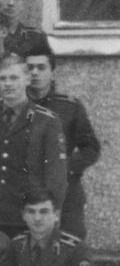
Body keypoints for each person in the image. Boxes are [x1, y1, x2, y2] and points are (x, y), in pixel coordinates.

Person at [0, 56, 68, 234]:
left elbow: (56, 174)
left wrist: (52, 211)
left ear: (27, 79)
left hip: (31, 212)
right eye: (2, 78)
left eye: (14, 78)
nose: (8, 84)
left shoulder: (46, 121)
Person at [26, 48, 100, 238]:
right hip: (26, 186)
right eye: (29, 68)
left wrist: (65, 167)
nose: (35, 72)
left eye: (41, 67)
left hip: (66, 187)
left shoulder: (69, 106)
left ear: (52, 73)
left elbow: (91, 147)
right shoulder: (15, 107)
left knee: (70, 239)